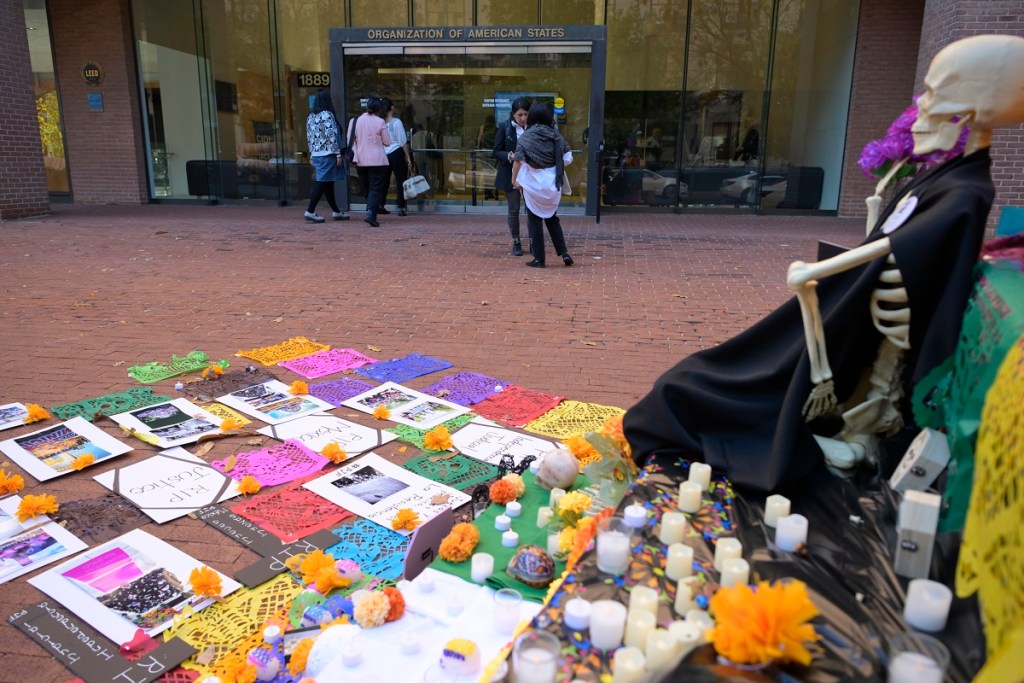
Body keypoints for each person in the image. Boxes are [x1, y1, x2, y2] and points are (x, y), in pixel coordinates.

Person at [623, 34, 1024, 493]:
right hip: (846, 318)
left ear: (976, 102)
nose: (920, 109)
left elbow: (911, 257)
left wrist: (816, 275)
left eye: (933, 94)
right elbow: (900, 242)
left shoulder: (962, 194)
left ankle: (795, 441)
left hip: (848, 338)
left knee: (685, 389)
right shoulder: (944, 182)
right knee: (692, 379)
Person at [512, 103, 574, 268]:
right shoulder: (555, 135)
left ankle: (539, 259)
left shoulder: (525, 137)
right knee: (552, 219)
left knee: (535, 221)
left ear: (531, 117)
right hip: (553, 184)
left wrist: (514, 180)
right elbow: (568, 157)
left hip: (533, 186)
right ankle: (564, 253)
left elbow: (518, 160)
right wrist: (555, 165)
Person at [303, 90, 349, 223]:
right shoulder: (327, 115)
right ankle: (310, 211)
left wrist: (312, 154)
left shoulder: (310, 116)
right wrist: (338, 154)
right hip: (328, 154)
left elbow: (309, 137)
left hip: (317, 154)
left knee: (328, 183)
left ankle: (336, 211)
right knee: (322, 182)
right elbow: (331, 135)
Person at [493, 97, 531, 256]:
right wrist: (508, 155)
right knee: (514, 209)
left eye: (526, 114)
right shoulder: (505, 127)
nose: (523, 118)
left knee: (532, 210)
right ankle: (516, 241)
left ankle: (533, 241)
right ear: (513, 114)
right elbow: (495, 151)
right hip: (511, 173)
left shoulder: (534, 127)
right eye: (519, 115)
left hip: (530, 174)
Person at [348, 96, 392, 227]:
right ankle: (371, 213)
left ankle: (370, 209)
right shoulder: (380, 122)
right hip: (377, 160)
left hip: (360, 159)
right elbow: (387, 142)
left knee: (367, 186)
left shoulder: (354, 121)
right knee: (376, 187)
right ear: (379, 108)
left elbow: (350, 140)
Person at [378, 98, 412, 217]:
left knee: (384, 181)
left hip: (384, 153)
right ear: (391, 108)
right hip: (396, 152)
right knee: (400, 180)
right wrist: (408, 157)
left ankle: (380, 205)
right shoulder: (396, 122)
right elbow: (402, 141)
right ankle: (401, 207)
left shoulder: (380, 122)